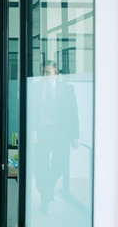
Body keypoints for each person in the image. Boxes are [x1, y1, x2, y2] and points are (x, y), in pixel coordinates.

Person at [31, 60, 79, 213]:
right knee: (41, 166)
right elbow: (30, 111)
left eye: (48, 72)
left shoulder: (67, 89)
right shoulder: (35, 88)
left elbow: (74, 113)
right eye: (43, 72)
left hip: (61, 134)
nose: (45, 75)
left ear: (56, 72)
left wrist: (75, 136)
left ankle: (49, 186)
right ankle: (45, 197)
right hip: (42, 132)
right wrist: (32, 132)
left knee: (60, 165)